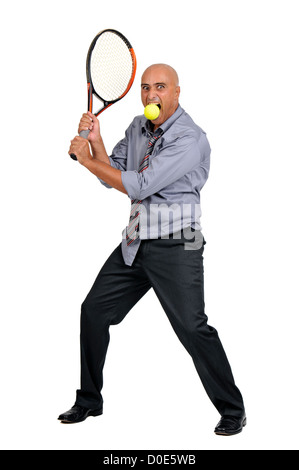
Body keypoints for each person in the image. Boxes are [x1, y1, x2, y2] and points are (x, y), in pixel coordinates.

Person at [58, 64, 246, 435]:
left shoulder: (190, 138)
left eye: (160, 87)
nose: (150, 95)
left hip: (180, 241)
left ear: (177, 93)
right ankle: (88, 401)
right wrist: (96, 140)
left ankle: (233, 408)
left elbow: (139, 185)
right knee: (93, 311)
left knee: (193, 328)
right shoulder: (137, 127)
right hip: (137, 240)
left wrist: (86, 160)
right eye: (145, 88)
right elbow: (112, 175)